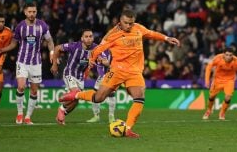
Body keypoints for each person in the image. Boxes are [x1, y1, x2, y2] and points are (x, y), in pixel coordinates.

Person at [59, 9, 180, 138]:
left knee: (139, 97)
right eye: (126, 23)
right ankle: (76, 94)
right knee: (98, 98)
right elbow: (98, 49)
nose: (129, 26)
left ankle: (127, 128)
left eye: (131, 23)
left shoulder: (138, 28)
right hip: (117, 70)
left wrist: (166, 38)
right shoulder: (112, 35)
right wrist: (91, 61)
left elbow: (151, 34)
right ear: (120, 21)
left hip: (134, 72)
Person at [0, 3, 54, 125]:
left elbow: (49, 40)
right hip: (22, 61)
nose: (32, 14)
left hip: (36, 63)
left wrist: (52, 53)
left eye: (34, 12)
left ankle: (28, 117)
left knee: (33, 91)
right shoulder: (20, 27)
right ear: (25, 12)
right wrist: (2, 50)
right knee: (21, 86)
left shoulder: (42, 25)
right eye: (30, 12)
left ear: (36, 12)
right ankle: (20, 113)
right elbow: (13, 43)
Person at [50, 29, 115, 124]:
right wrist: (54, 64)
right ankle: (61, 109)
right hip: (70, 73)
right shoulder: (74, 46)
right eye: (86, 37)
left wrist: (104, 62)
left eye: (90, 36)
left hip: (80, 77)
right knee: (75, 93)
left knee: (76, 100)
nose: (89, 39)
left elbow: (105, 61)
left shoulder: (97, 48)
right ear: (82, 38)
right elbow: (57, 48)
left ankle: (63, 112)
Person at [203, 47, 237, 120]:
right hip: (217, 80)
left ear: (233, 55)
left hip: (229, 81)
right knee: (211, 97)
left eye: (230, 55)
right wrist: (207, 81)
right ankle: (208, 110)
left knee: (228, 97)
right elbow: (209, 67)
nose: (228, 57)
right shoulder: (218, 58)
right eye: (227, 55)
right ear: (223, 54)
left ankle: (222, 113)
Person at [86, 51, 116, 123]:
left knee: (111, 95)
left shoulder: (110, 51)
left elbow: (106, 63)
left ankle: (111, 116)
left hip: (109, 75)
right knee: (95, 95)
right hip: (101, 76)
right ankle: (96, 116)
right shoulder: (99, 50)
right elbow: (90, 56)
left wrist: (102, 60)